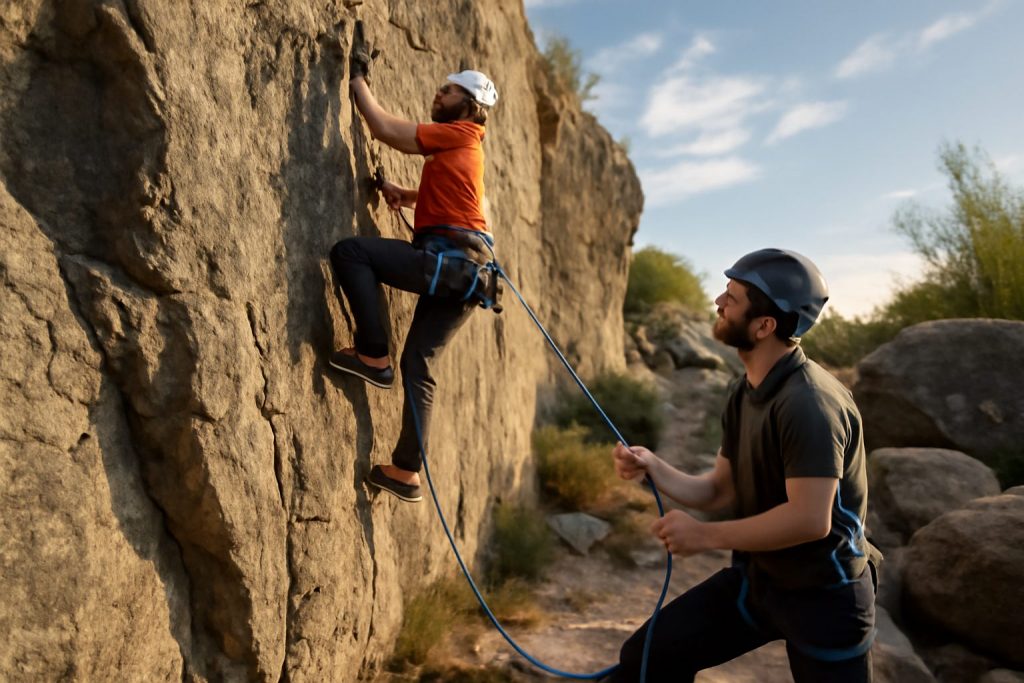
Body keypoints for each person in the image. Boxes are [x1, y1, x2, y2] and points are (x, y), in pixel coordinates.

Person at [609, 248, 879, 682]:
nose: (718, 301)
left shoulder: (809, 403)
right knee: (646, 659)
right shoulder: (745, 390)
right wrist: (653, 466)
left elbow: (811, 520)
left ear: (764, 325)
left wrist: (704, 535)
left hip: (825, 598)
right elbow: (720, 489)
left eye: (731, 297)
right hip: (762, 581)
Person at [328, 26, 499, 503]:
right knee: (420, 366)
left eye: (447, 91)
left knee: (351, 252)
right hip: (469, 276)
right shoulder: (469, 148)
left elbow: (385, 129)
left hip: (447, 262)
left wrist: (357, 76)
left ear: (466, 106)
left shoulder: (458, 133)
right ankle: (405, 472)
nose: (437, 94)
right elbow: (464, 202)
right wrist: (407, 195)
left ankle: (372, 354)